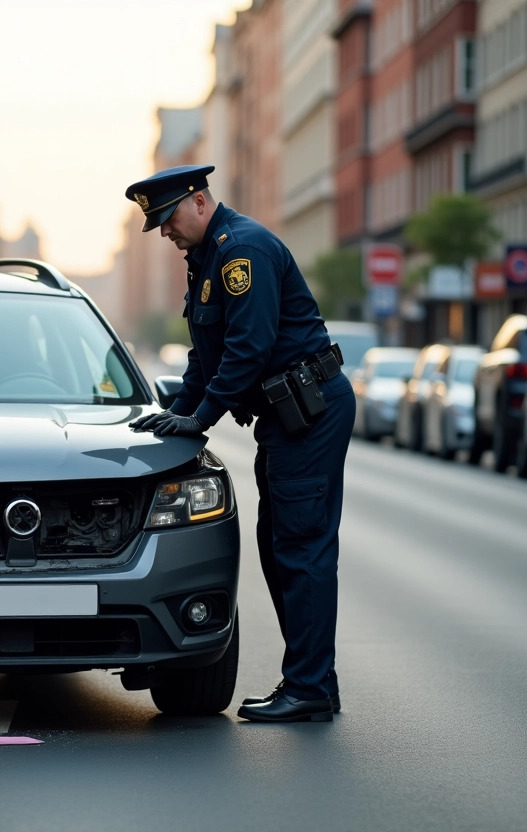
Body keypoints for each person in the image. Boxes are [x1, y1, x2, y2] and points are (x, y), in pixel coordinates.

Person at [125, 164, 355, 723]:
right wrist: (173, 419)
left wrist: (201, 418)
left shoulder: (241, 253)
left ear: (200, 202)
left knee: (300, 549)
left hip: (309, 410)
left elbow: (249, 349)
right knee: (282, 547)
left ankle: (309, 688)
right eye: (155, 223)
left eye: (168, 217)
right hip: (287, 415)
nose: (163, 231)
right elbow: (205, 357)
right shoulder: (206, 259)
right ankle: (312, 681)